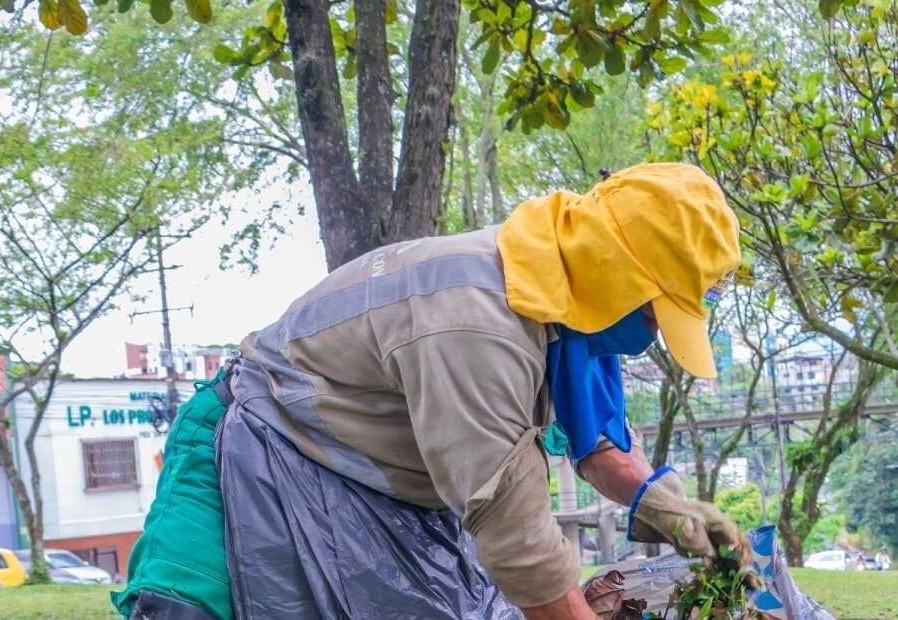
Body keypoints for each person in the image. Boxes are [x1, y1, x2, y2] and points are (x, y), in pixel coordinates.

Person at [115, 163, 744, 620]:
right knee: (191, 612)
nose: (657, 332)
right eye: (658, 312)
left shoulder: (568, 295)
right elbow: (518, 539)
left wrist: (674, 509)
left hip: (374, 488)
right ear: (620, 277)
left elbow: (602, 445)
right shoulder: (476, 320)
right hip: (253, 450)